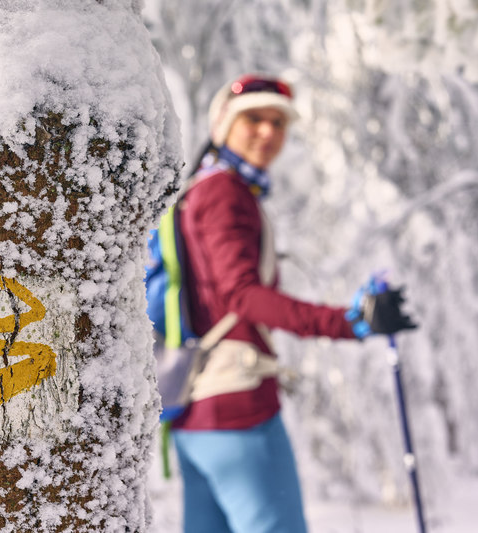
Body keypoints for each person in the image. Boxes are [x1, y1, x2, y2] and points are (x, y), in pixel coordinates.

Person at [169, 74, 415, 533]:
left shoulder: (201, 189)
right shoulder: (224, 192)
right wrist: (348, 322)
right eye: (255, 119)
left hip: (197, 413)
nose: (269, 132)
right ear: (223, 123)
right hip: (239, 409)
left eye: (279, 123)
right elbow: (242, 296)